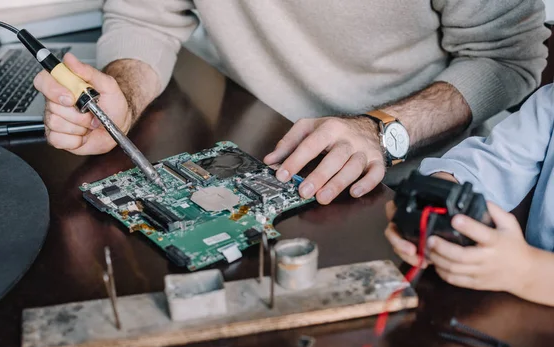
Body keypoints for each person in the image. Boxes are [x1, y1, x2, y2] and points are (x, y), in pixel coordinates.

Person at [34, 0, 548, 204]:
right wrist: (124, 96)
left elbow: (508, 59)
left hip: (413, 180)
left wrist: (381, 130)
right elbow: (145, 14)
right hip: (251, 150)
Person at [384, 83, 554, 307]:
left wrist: (526, 271)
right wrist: (434, 193)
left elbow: (525, 272)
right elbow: (494, 162)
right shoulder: (549, 103)